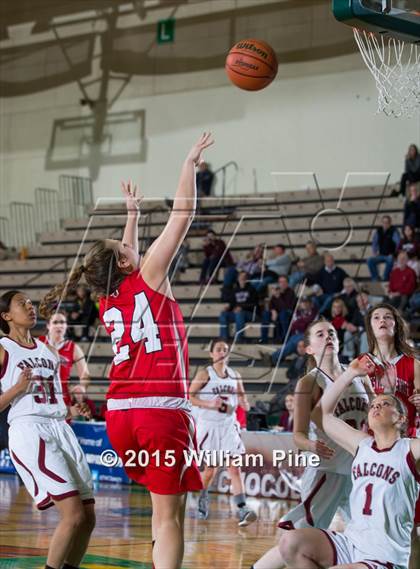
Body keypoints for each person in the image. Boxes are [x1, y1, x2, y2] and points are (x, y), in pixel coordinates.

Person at [39, 133, 214, 569]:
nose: (132, 247)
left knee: (160, 515)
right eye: (126, 248)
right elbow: (183, 215)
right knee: (168, 518)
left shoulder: (106, 298)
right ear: (124, 262)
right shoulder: (149, 273)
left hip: (120, 417)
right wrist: (188, 163)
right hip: (158, 412)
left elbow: (120, 263)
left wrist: (131, 218)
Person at [278, 357, 420, 569]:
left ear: (400, 418)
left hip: (385, 556)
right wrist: (349, 373)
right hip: (350, 543)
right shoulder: (361, 444)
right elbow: (324, 414)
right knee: (291, 543)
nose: (376, 407)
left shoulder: (410, 449)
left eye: (385, 404)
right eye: (373, 404)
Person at [253, 319, 371, 569]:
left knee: (368, 533)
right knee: (300, 537)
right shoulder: (309, 382)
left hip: (356, 470)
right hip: (325, 471)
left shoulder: (360, 376)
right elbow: (298, 435)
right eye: (320, 334)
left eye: (332, 332)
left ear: (338, 341)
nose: (328, 336)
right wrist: (311, 445)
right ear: (308, 348)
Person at [0, 290, 95, 569]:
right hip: (30, 430)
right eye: (22, 304)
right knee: (74, 515)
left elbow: (52, 400)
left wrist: (73, 410)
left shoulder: (47, 350)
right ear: (6, 315)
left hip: (60, 428)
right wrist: (16, 389)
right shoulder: (3, 348)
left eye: (31, 303)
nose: (30, 307)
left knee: (89, 518)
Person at [363, 302, 420, 526]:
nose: (382, 321)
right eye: (376, 317)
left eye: (388, 317)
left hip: (406, 445)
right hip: (373, 446)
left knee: (411, 522)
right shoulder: (362, 364)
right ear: (370, 326)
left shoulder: (413, 364)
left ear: (396, 325)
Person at [189, 338, 256, 526]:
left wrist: (244, 403)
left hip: (228, 426)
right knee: (210, 470)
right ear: (211, 354)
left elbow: (242, 396)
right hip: (209, 426)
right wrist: (209, 404)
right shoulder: (205, 374)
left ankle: (242, 508)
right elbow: (189, 396)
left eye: (225, 349)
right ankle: (203, 495)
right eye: (218, 349)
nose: (222, 352)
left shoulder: (235, 375)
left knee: (235, 468)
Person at [39, 311, 90, 407]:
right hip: (41, 397)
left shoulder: (73, 348)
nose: (59, 325)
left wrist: (82, 386)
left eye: (62, 322)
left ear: (66, 326)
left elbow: (85, 374)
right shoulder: (38, 343)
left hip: (63, 399)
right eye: (55, 322)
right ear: (48, 325)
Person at [219, 271, 260, 342]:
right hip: (237, 313)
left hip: (250, 313)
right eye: (241, 277)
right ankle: (224, 338)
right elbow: (232, 303)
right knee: (223, 314)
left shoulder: (252, 289)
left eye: (244, 277)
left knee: (239, 313)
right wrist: (228, 308)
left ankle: (239, 338)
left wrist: (242, 307)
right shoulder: (235, 290)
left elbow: (255, 304)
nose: (242, 278)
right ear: (238, 278)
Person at [260, 276, 296, 343]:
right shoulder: (277, 291)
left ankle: (285, 339)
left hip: (288, 312)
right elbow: (271, 305)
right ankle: (263, 339)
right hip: (277, 312)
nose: (282, 284)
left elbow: (286, 307)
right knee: (265, 313)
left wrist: (278, 297)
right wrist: (273, 311)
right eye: (280, 282)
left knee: (283, 313)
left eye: (284, 282)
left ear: (287, 283)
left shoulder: (290, 292)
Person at [367, 215, 400, 282]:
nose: (385, 224)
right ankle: (375, 278)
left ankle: (385, 278)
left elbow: (398, 244)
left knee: (390, 259)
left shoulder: (393, 231)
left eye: (387, 222)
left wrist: (394, 254)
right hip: (381, 255)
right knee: (369, 260)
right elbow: (374, 243)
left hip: (390, 255)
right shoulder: (378, 231)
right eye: (384, 222)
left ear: (390, 223)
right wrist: (374, 252)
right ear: (381, 223)